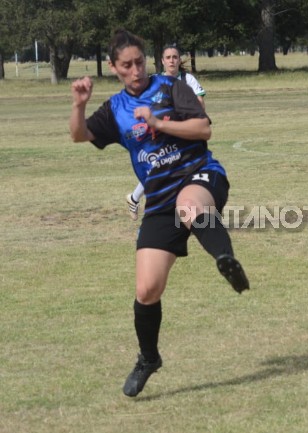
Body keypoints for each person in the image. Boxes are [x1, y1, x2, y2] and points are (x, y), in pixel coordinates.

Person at [69, 29, 250, 398]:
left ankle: (225, 258)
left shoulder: (170, 88)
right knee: (147, 289)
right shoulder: (115, 109)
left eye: (139, 62)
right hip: (159, 200)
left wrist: (159, 123)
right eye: (127, 65)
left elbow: (204, 128)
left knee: (191, 206)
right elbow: (79, 135)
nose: (136, 70)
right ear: (114, 68)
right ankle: (149, 358)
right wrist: (79, 105)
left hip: (200, 175)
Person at [125, 45, 207, 220]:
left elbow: (200, 103)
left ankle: (136, 198)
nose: (171, 60)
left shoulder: (187, 79)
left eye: (175, 57)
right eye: (168, 57)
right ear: (162, 61)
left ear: (179, 60)